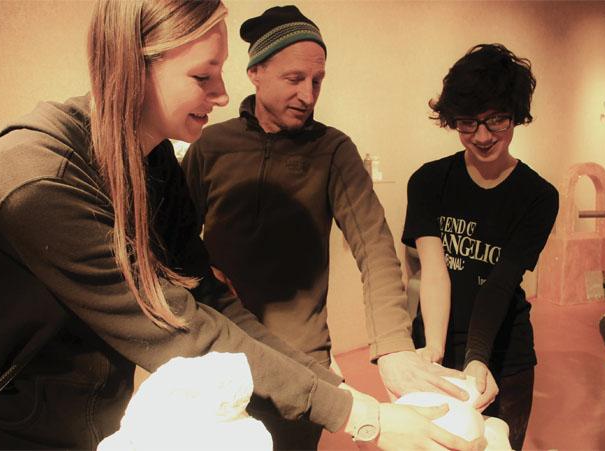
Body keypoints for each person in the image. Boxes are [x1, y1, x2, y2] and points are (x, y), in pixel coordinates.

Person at [0, 1, 483, 451]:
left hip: (94, 410)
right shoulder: (37, 181)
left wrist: (345, 383)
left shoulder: (154, 158)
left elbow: (206, 293)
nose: (222, 94)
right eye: (202, 76)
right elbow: (176, 321)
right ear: (132, 65)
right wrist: (361, 417)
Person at [181, 5, 469, 449]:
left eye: (317, 80)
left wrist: (392, 344)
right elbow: (175, 239)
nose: (309, 94)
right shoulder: (211, 146)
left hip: (300, 359)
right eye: (294, 79)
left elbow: (374, 245)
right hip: (218, 352)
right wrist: (203, 273)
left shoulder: (332, 151)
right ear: (256, 72)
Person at [402, 43, 560, 450]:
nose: (483, 136)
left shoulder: (538, 196)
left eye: (496, 120)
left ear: (517, 115)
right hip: (434, 347)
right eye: (468, 123)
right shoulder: (428, 181)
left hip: (505, 356)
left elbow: (501, 281)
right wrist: (434, 348)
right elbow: (432, 270)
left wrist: (477, 356)